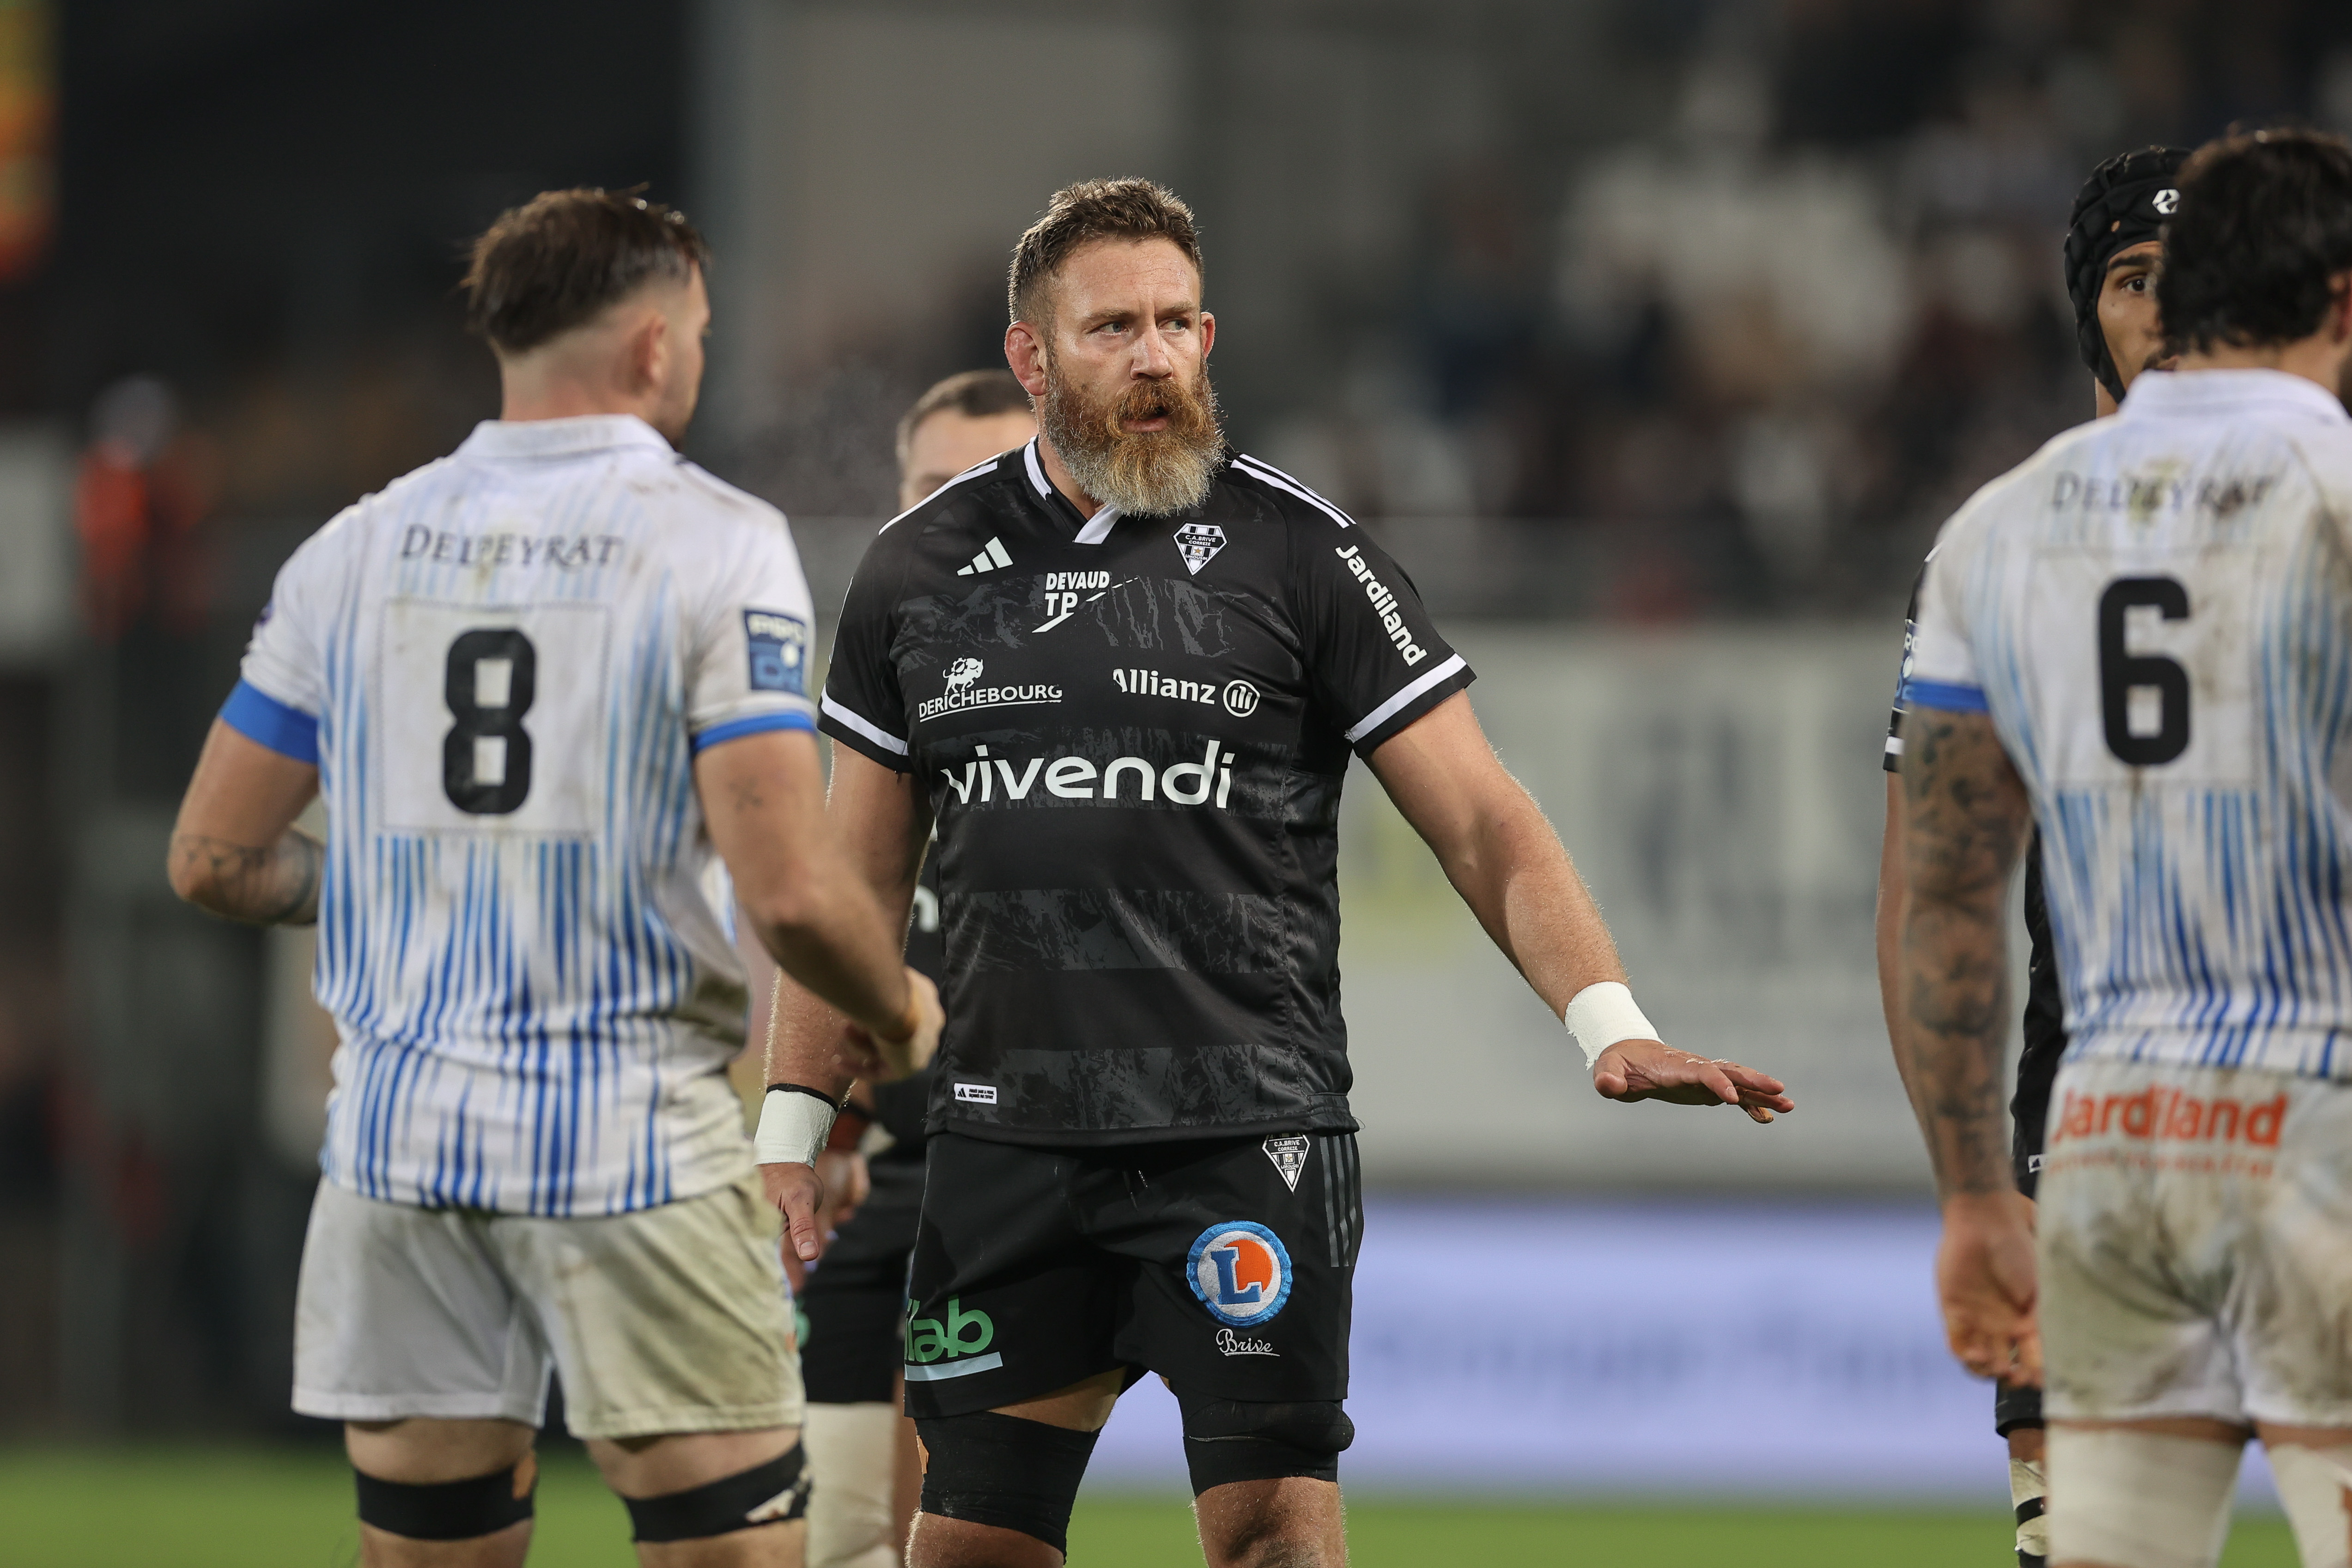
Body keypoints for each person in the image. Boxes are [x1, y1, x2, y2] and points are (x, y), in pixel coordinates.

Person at [754, 176, 1794, 1568]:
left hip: (1242, 1139)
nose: (1154, 357)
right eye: (1113, 327)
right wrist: (795, 1121)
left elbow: (1482, 819)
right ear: (1031, 357)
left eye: (1177, 323)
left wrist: (1608, 1019)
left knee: (1271, 1539)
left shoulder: (1302, 551)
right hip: (1003, 1144)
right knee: (969, 1549)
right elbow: (853, 888)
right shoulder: (915, 572)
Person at [165, 187, 941, 1568]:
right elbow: (787, 892)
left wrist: (391, 884)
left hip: (399, 1155)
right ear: (651, 344)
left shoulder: (354, 547)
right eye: (698, 331)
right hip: (627, 1147)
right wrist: (898, 1011)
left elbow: (213, 857)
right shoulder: (714, 539)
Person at [1895, 127, 2352, 1568]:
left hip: (2106, 1139)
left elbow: (1943, 893)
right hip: (2321, 1114)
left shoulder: (1997, 527)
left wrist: (1974, 1189)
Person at [1875, 143, 2186, 1568]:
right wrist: (1972, 1184)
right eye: (2131, 277)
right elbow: (1928, 892)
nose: (2166, 307)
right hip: (2088, 1122)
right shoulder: (1993, 547)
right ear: (2083, 313)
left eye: (2197, 273)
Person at [797, 370, 1038, 1568]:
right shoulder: (850, 697)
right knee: (838, 1544)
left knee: (948, 1538)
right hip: (864, 1174)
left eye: (989, 487)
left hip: (1010, 1179)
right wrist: (813, 1126)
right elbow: (791, 944)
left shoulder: (1113, 703)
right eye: (932, 490)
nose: (959, 520)